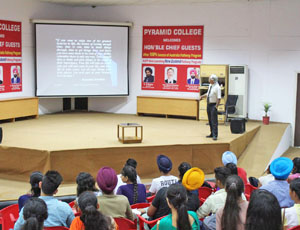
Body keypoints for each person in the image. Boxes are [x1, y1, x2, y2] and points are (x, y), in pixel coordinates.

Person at [200, 74, 221, 141]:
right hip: (208, 104)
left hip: (213, 105)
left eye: (210, 79)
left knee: (214, 121)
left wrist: (216, 107)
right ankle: (211, 133)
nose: (209, 80)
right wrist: (202, 96)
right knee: (210, 120)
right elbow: (208, 94)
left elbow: (219, 98)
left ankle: (215, 135)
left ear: (213, 80)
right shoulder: (210, 85)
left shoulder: (217, 87)